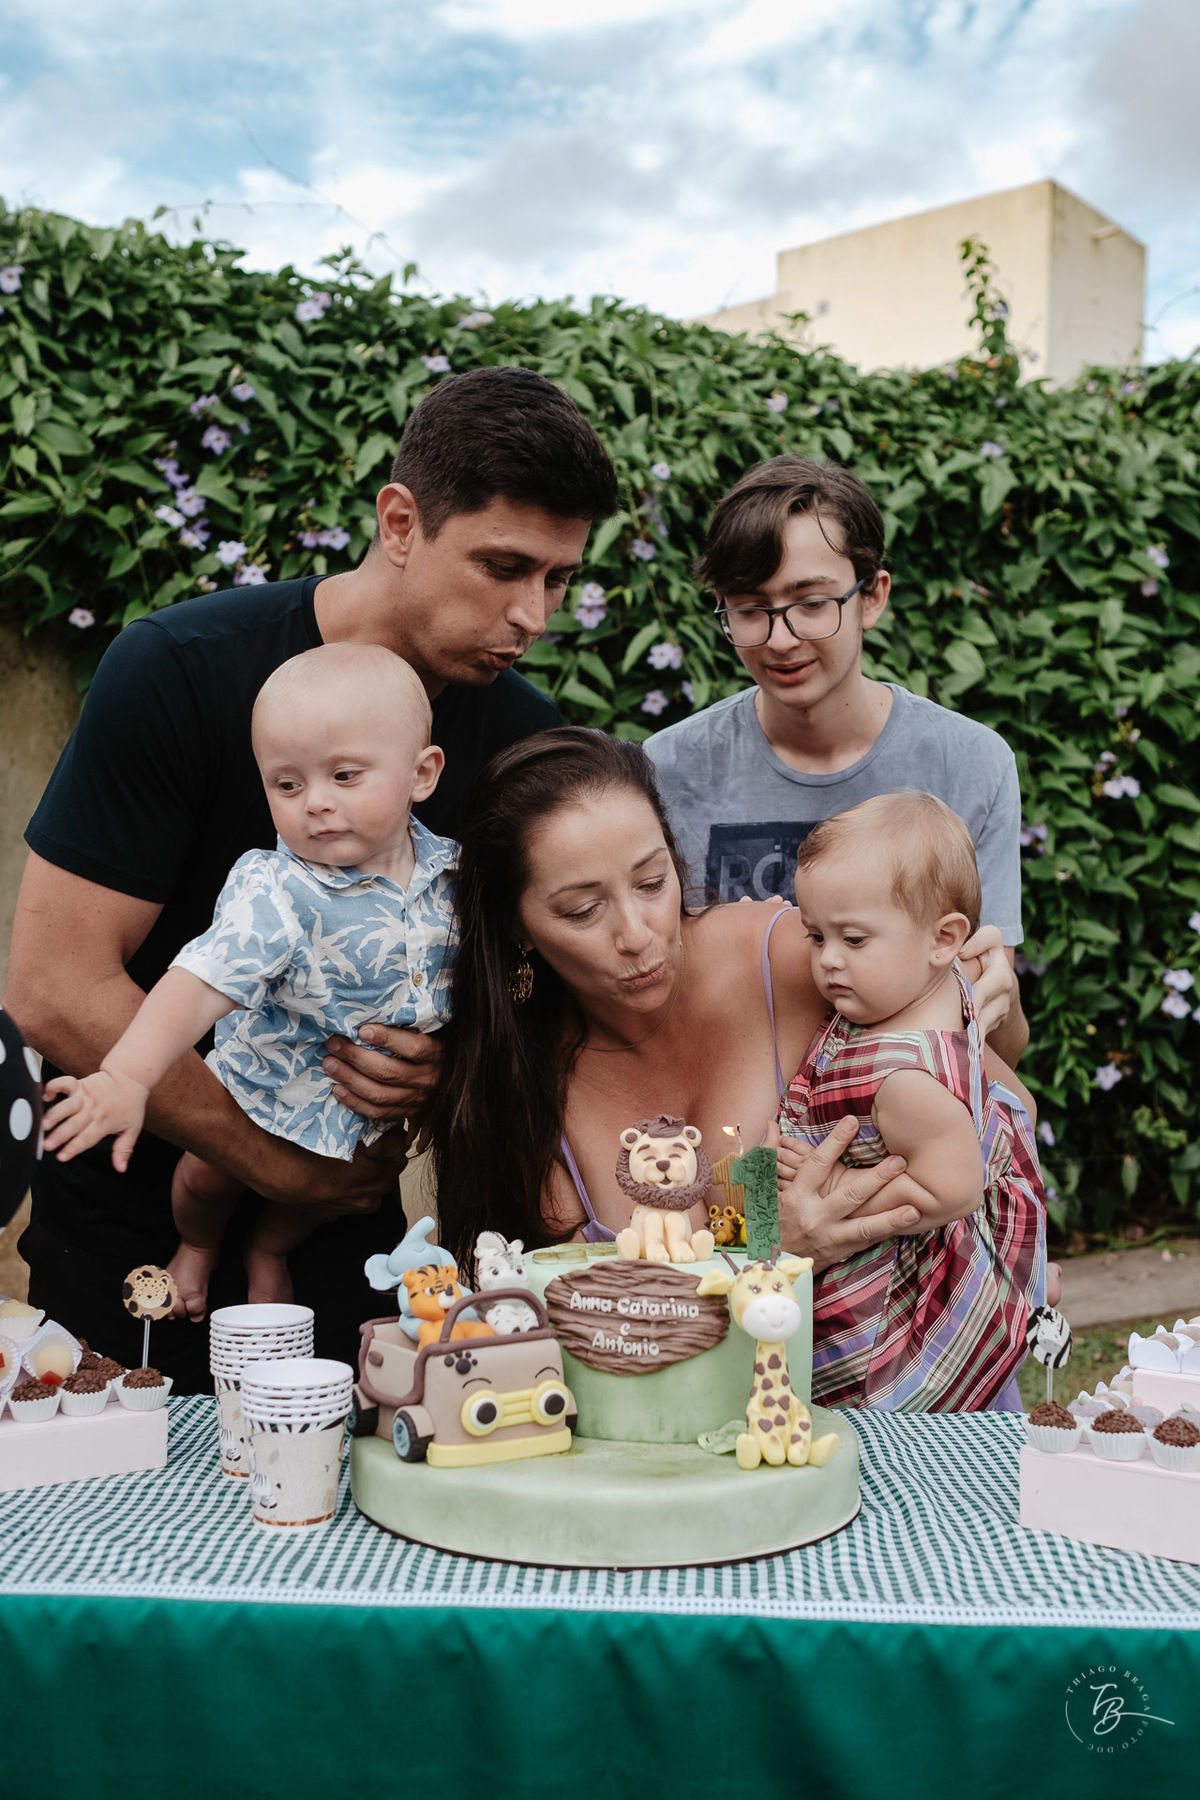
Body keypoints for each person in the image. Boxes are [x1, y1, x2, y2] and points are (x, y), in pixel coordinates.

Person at [5, 368, 618, 1389]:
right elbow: (53, 985)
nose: (535, 613)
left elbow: (540, 1000)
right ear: (401, 521)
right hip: (137, 1245)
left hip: (367, 1257)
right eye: (505, 565)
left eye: (557, 578)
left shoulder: (524, 740)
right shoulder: (179, 669)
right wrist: (275, 1161)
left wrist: (446, 1064)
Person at [428, 727, 1032, 1409]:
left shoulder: (796, 960)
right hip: (716, 1444)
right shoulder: (523, 1093)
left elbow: (1006, 1108)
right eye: (582, 910)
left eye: (653, 882)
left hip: (942, 1403)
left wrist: (985, 1006)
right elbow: (591, 1351)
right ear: (518, 928)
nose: (637, 932)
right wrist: (772, 1247)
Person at [41, 644, 457, 1322]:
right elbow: (200, 980)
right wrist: (127, 1076)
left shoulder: (456, 876)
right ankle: (198, 1248)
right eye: (287, 786)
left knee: (337, 1192)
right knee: (206, 1177)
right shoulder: (279, 887)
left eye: (345, 776)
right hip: (264, 1083)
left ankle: (269, 1251)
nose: (315, 805)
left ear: (422, 773)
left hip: (364, 1105)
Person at [644, 456, 1029, 1068]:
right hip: (736, 1136)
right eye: (749, 609)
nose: (780, 639)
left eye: (812, 603)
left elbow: (996, 1045)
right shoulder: (668, 768)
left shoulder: (969, 763)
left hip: (906, 1129)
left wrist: (997, 1006)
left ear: (871, 597)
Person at [774, 791, 1045, 1410]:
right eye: (816, 935)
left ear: (944, 938)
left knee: (881, 1417)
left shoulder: (905, 1078)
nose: (828, 961)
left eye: (855, 939)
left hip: (900, 1305)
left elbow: (953, 1188)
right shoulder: (925, 989)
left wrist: (849, 1184)